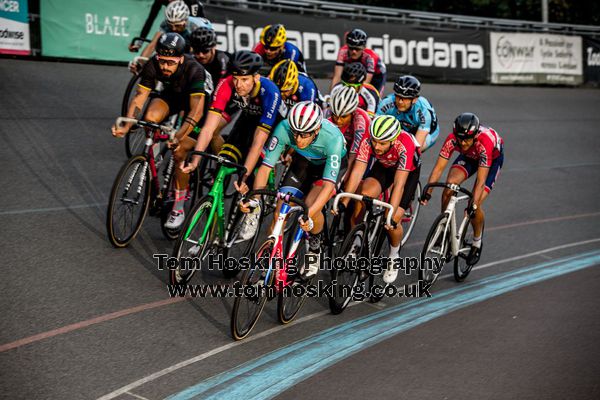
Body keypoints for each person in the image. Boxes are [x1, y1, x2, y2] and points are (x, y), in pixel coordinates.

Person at [112, 33, 210, 229]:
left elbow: (196, 113)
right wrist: (127, 125)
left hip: (198, 106)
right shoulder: (153, 64)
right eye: (162, 61)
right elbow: (140, 97)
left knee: (180, 150)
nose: (165, 67)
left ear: (180, 59)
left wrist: (179, 136)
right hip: (172, 95)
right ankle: (153, 159)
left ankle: (179, 208)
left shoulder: (195, 70)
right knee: (150, 118)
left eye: (170, 63)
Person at [181, 50, 283, 235]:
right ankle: (211, 237)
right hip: (247, 119)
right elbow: (208, 128)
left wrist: (245, 175)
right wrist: (195, 161)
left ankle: (254, 205)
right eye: (236, 78)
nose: (238, 84)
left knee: (252, 170)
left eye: (244, 80)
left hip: (273, 126)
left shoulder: (270, 92)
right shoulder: (226, 84)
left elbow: (258, 143)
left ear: (256, 77)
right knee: (225, 161)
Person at [241, 101, 347, 278]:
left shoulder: (333, 139)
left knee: (311, 205)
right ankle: (270, 266)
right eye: (295, 133)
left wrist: (308, 215)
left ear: (316, 130)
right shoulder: (284, 128)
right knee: (280, 212)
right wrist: (255, 200)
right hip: (302, 163)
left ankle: (314, 245)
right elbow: (266, 167)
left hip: (327, 169)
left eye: (304, 134)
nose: (297, 139)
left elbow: (328, 187)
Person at [339, 115, 421, 283]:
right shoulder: (369, 140)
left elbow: (399, 184)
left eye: (382, 143)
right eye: (375, 141)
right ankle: (356, 240)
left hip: (407, 173)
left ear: (392, 140)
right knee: (362, 195)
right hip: (383, 167)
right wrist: (345, 200)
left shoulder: (404, 145)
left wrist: (391, 215)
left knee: (393, 219)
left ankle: (393, 255)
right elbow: (357, 172)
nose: (376, 146)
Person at [421, 113, 504, 265]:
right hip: (469, 157)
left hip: (491, 160)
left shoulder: (484, 142)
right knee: (449, 186)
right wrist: (428, 191)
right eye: (460, 138)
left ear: (475, 134)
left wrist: (473, 204)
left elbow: (480, 181)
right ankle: (444, 226)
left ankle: (477, 242)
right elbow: (438, 168)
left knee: (474, 205)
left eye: (467, 139)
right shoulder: (453, 139)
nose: (463, 143)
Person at [129, 1, 212, 74]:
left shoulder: (195, 26)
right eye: (170, 25)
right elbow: (152, 45)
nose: (174, 29)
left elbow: (196, 52)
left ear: (185, 21)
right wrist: (140, 62)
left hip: (198, 44)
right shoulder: (165, 24)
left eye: (177, 25)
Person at [377, 75, 439, 152]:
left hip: (427, 132)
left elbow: (417, 146)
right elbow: (375, 130)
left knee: (413, 152)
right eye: (398, 96)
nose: (400, 102)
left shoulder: (423, 110)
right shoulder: (386, 103)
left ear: (414, 99)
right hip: (401, 126)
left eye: (405, 98)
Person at [326, 85, 370, 178]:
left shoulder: (361, 119)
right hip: (342, 148)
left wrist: (342, 180)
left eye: (344, 116)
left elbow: (353, 157)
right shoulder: (327, 114)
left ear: (353, 112)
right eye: (335, 115)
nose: (338, 120)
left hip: (359, 152)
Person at [129, 0, 206, 52]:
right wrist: (139, 43)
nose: (170, 1)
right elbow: (150, 19)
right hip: (175, 22)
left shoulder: (192, 3)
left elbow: (198, 28)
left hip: (192, 22)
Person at [331, 28, 386, 94]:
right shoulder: (343, 51)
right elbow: (337, 77)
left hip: (376, 75)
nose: (354, 52)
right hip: (358, 70)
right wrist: (331, 95)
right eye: (351, 48)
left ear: (363, 47)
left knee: (374, 96)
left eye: (357, 49)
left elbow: (365, 84)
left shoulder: (370, 57)